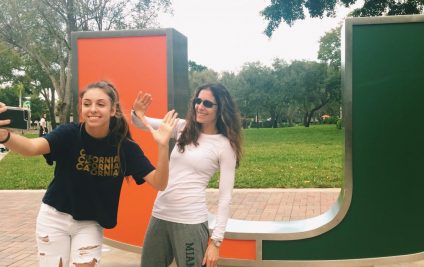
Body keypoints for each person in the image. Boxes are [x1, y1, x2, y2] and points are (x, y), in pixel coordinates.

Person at [0, 80, 178, 267]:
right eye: (87, 104)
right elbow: (31, 147)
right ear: (81, 108)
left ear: (112, 110)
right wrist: (5, 137)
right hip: (54, 217)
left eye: (100, 104)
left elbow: (160, 183)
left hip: (90, 223)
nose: (93, 109)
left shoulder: (124, 147)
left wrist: (163, 145)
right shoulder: (68, 134)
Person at [132, 83, 243, 267]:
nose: (200, 106)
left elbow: (225, 197)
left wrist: (216, 242)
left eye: (208, 103)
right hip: (160, 214)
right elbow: (141, 123)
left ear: (221, 108)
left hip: (190, 222)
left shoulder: (225, 146)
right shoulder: (183, 127)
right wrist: (137, 112)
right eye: (198, 101)